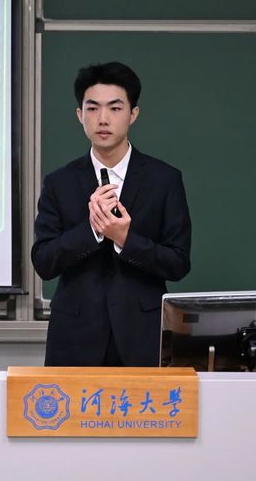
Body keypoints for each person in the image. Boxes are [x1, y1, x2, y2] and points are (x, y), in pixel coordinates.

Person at [32, 61, 192, 367]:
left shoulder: (164, 179)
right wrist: (93, 230)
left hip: (142, 336)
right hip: (75, 339)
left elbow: (178, 262)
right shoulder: (59, 182)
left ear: (133, 114)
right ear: (79, 115)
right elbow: (44, 261)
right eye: (92, 108)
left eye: (115, 108)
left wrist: (125, 239)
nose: (103, 119)